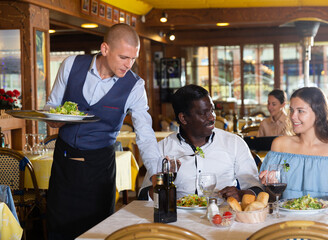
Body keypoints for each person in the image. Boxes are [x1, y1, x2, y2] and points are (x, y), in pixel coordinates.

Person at [44, 23, 160, 239]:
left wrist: (155, 172)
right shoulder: (71, 65)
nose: (129, 65)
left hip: (100, 167)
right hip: (65, 162)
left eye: (133, 59)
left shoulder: (135, 86)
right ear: (105, 49)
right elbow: (52, 106)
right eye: (124, 57)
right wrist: (56, 118)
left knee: (98, 231)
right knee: (58, 229)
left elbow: (145, 132)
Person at [140, 84, 263, 201]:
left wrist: (241, 194)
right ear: (183, 118)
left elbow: (257, 189)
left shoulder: (234, 143)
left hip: (223, 217)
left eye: (212, 110)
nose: (212, 117)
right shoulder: (162, 149)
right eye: (204, 113)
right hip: (179, 218)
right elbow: (143, 198)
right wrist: (163, 180)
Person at [259, 87, 328, 209]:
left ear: (318, 113)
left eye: (300, 111)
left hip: (325, 221)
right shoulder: (280, 145)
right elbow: (269, 197)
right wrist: (269, 185)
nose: (293, 116)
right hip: (287, 221)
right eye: (291, 110)